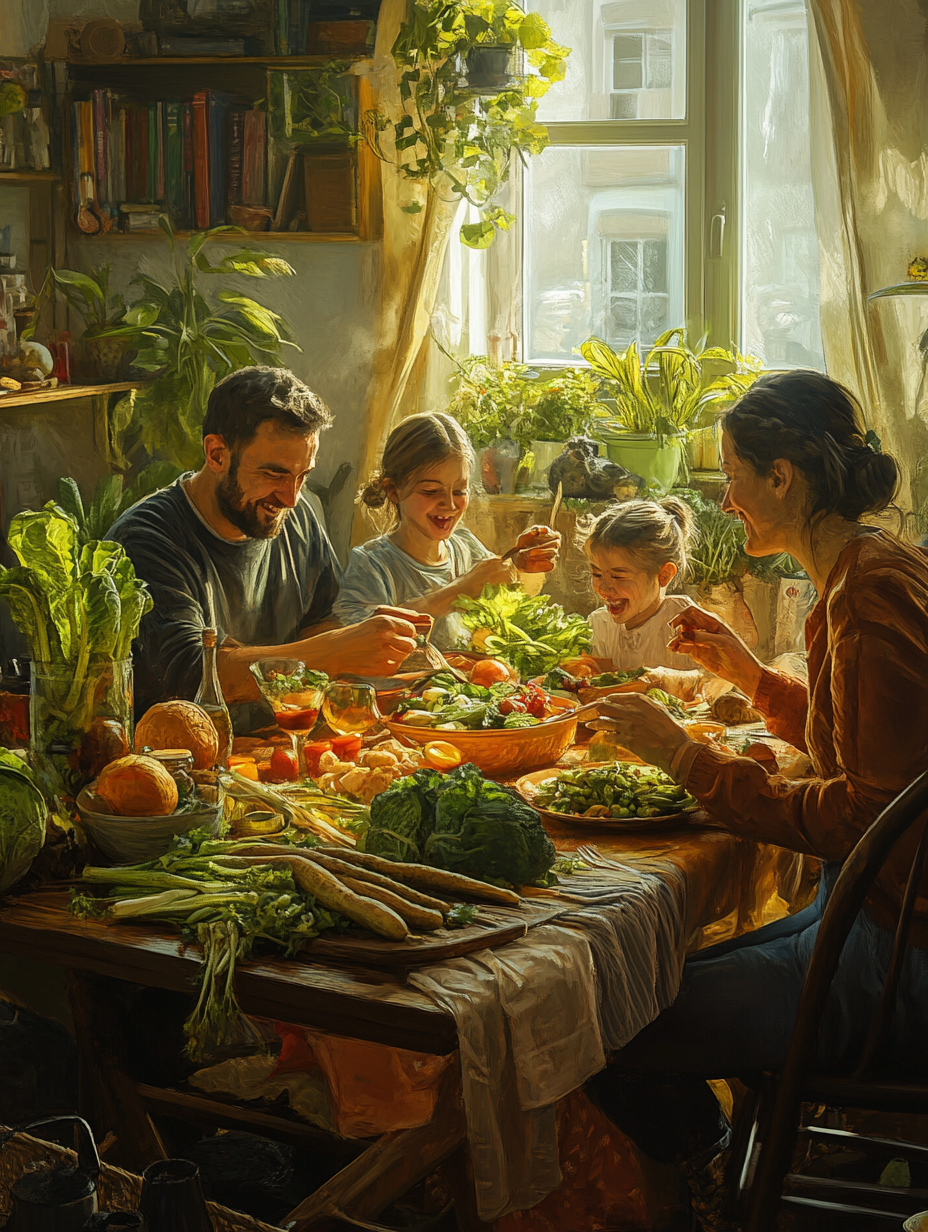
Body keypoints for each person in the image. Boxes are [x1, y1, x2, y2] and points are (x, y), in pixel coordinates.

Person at [586, 370, 928, 1230]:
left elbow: (862, 814)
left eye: (734, 471)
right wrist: (753, 678)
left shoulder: (872, 599)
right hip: (874, 914)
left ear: (784, 476)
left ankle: (719, 1185)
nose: (725, 495)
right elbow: (869, 754)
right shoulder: (873, 569)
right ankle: (733, 1168)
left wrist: (686, 758)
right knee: (635, 978)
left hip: (902, 956)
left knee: (592, 1017)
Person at [110, 366, 423, 726]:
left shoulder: (295, 514)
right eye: (274, 473)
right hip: (186, 762)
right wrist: (334, 653)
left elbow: (319, 619)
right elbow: (191, 675)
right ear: (216, 454)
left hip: (285, 748)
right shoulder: (145, 538)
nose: (290, 498)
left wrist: (364, 644)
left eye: (303, 476)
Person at [333, 412, 561, 647]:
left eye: (460, 490)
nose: (450, 504)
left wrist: (520, 566)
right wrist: (459, 591)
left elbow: (501, 613)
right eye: (431, 491)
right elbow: (358, 642)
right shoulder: (372, 564)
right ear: (393, 490)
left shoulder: (465, 546)